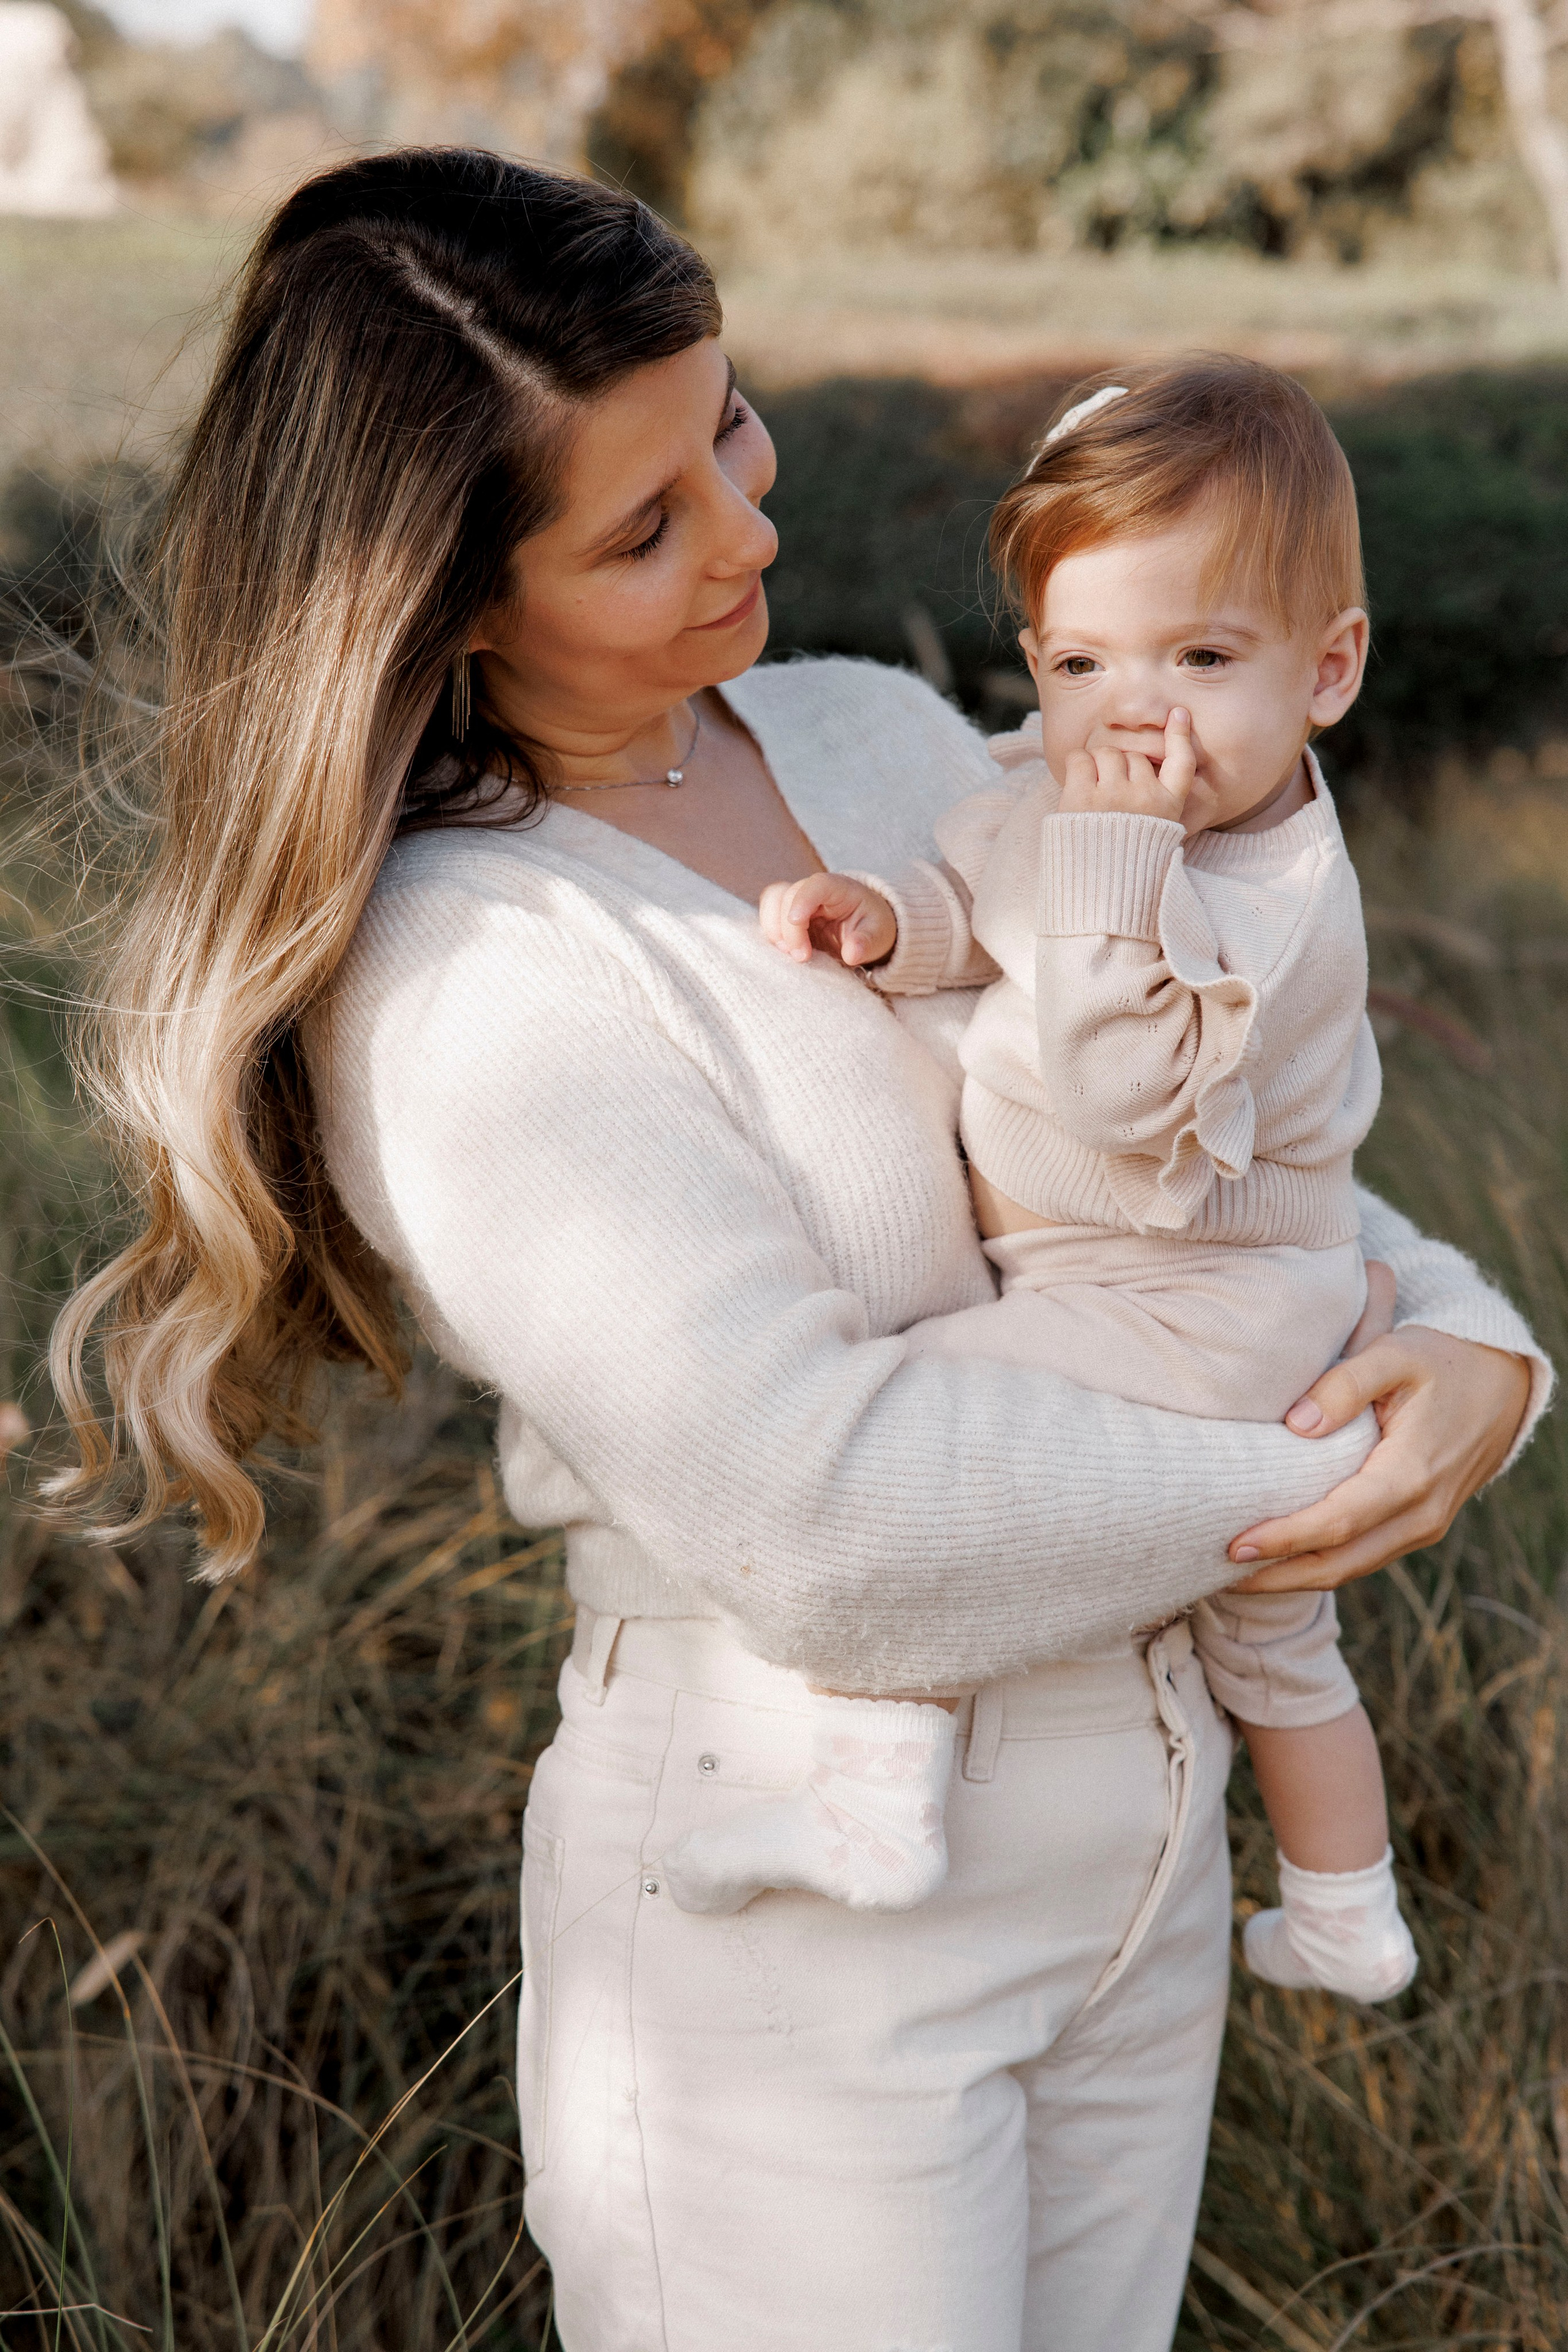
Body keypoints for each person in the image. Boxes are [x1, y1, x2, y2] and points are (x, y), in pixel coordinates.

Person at [48, 152, 1548, 2352]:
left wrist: (1478, 1350)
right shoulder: (477, 977)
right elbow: (823, 1519)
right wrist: (1319, 1478)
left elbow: (1180, 1149)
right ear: (447, 603)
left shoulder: (876, 730)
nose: (748, 531)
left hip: (1142, 1850)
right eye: (640, 529)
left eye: (729, 429)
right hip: (805, 1938)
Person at [669, 358, 1420, 2011]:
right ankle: (1346, 1917)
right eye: (1083, 664)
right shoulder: (1083, 805)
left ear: (1328, 670)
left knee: (922, 1431)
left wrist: (1112, 853)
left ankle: (872, 1796)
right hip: (1183, 1292)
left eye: (1203, 660)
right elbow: (1002, 897)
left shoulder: (1266, 899)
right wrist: (901, 925)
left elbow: (1115, 1083)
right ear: (1035, 658)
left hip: (1192, 1302)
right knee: (1275, 1639)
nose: (1134, 716)